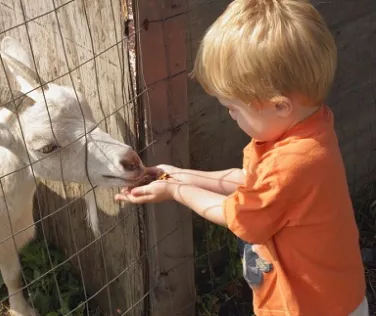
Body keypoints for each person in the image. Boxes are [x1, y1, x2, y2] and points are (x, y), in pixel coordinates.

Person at [115, 0, 369, 315]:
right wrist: (176, 173)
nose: (232, 117)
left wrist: (173, 190)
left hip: (310, 307)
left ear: (280, 106)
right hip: (334, 295)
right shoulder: (307, 131)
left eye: (234, 109)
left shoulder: (289, 164)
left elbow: (234, 215)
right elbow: (250, 182)